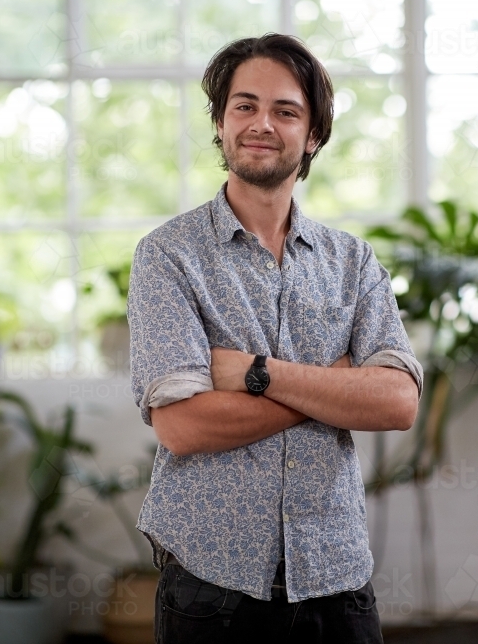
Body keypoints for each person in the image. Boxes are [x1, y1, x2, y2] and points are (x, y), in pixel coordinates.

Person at [127, 33, 423, 644]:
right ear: (220, 121)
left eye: (286, 110)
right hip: (211, 587)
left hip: (336, 580)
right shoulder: (168, 257)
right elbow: (184, 427)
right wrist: (335, 383)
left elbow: (396, 402)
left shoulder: (354, 262)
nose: (262, 123)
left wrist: (257, 373)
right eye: (245, 105)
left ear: (313, 134)